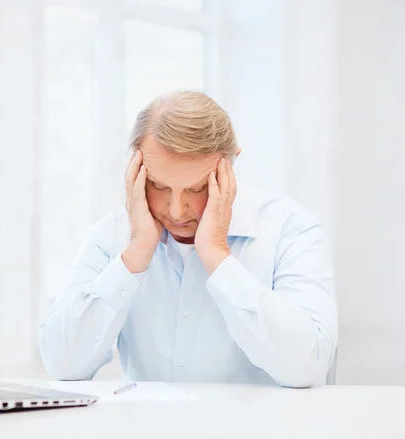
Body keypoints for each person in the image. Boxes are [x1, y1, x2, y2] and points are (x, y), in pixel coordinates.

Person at [38, 90, 338, 388]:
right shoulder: (111, 235)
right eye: (158, 186)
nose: (177, 210)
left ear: (231, 165)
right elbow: (63, 364)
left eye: (196, 189)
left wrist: (218, 257)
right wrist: (136, 253)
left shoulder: (291, 229)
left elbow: (306, 368)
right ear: (135, 169)